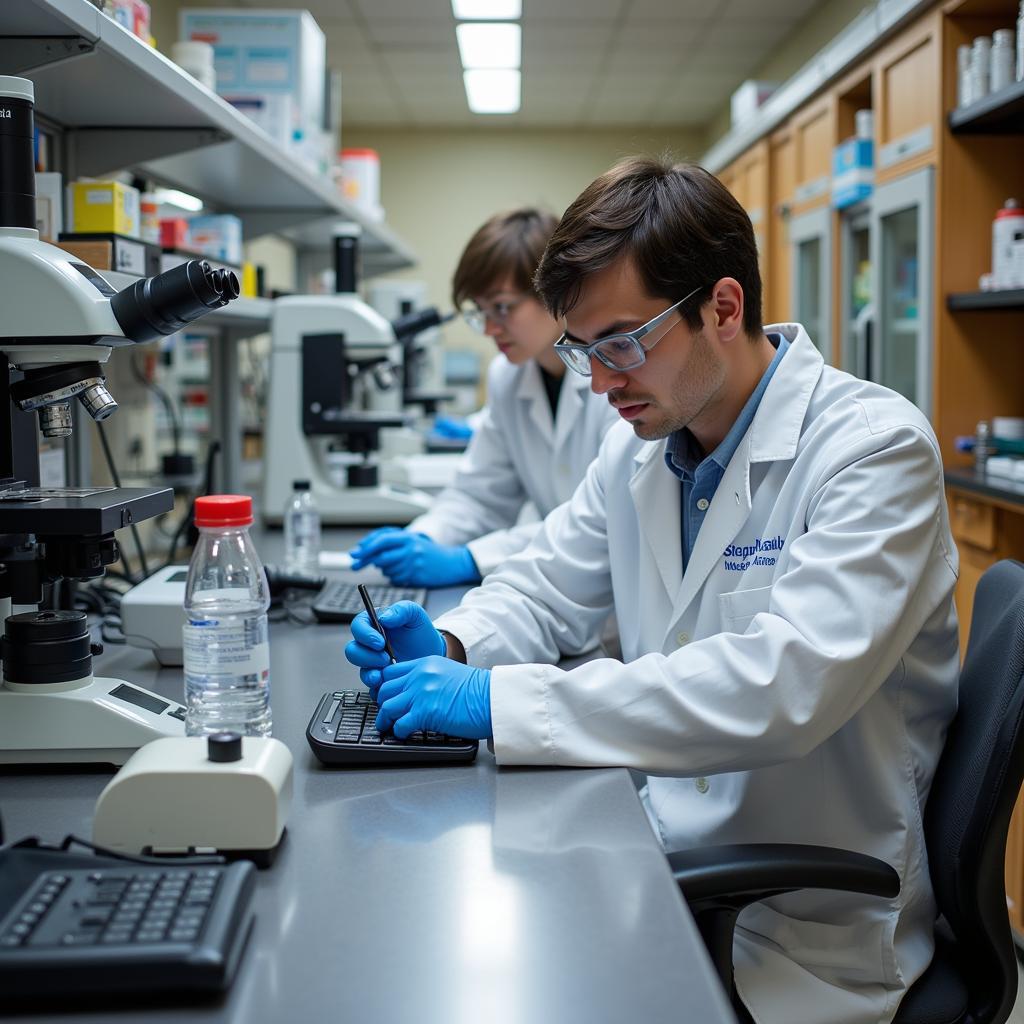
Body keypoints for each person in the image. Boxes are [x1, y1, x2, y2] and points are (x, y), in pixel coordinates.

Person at [344, 157, 959, 1024]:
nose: (599, 382)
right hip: (651, 855)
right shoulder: (637, 451)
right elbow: (547, 584)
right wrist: (454, 644)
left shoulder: (871, 451)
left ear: (723, 307)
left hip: (804, 926)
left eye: (623, 343)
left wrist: (497, 702)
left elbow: (782, 685)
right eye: (582, 350)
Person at [349, 208, 618, 587]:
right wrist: (426, 536)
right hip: (550, 591)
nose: (490, 328)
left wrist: (470, 560)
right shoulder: (509, 377)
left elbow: (598, 520)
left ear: (556, 290)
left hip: (605, 600)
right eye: (482, 311)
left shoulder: (615, 379)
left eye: (503, 308)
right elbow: (480, 495)